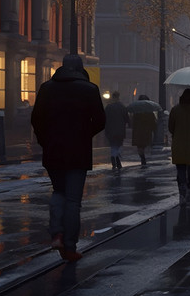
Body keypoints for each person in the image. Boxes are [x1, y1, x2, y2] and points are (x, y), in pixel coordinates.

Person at [31, 54, 106, 262]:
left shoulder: (47, 88)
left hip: (53, 150)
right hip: (78, 151)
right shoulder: (89, 90)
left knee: (58, 192)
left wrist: (46, 139)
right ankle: (70, 246)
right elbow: (100, 120)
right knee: (73, 200)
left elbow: (36, 119)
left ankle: (56, 233)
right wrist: (84, 134)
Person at [168, 88, 190, 204]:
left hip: (179, 143)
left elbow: (171, 127)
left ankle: (182, 188)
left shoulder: (175, 110)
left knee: (181, 168)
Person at [104, 91, 128, 169]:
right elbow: (127, 119)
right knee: (118, 145)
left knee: (113, 145)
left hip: (110, 130)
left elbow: (104, 118)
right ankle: (117, 158)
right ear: (118, 97)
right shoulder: (122, 107)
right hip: (120, 130)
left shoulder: (108, 107)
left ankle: (113, 158)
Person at [131, 95, 157, 167]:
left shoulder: (136, 111)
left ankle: (142, 157)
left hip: (138, 131)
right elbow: (153, 122)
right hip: (146, 131)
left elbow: (133, 122)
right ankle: (143, 157)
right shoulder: (149, 111)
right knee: (144, 145)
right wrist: (153, 129)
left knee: (139, 146)